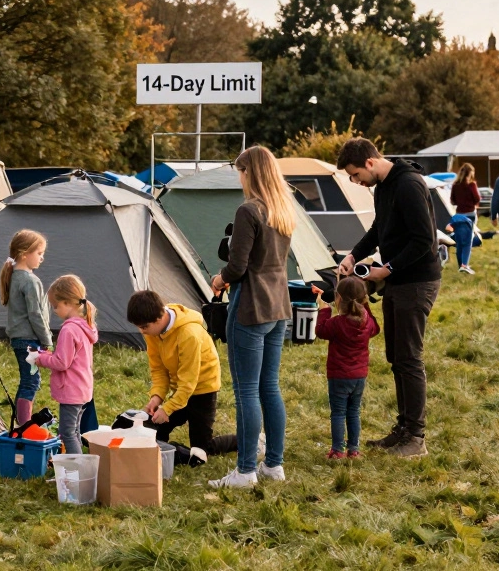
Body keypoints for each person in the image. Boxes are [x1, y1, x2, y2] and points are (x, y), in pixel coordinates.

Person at [336, 139, 441, 458]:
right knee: (396, 356)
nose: (356, 182)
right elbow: (379, 229)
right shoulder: (383, 187)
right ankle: (404, 429)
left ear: (369, 163)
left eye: (355, 175)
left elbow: (425, 240)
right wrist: (354, 255)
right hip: (397, 280)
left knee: (409, 357)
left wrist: (388, 268)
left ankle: (416, 438)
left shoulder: (409, 184)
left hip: (418, 280)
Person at [208, 145, 295, 488]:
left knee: (246, 391)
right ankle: (274, 465)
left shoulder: (248, 210)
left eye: (240, 173)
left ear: (249, 173)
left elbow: (238, 266)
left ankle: (245, 471)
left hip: (250, 306)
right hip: (279, 306)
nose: (239, 179)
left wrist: (219, 279)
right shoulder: (283, 209)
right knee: (269, 387)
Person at [126, 290, 237, 458]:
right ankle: (161, 453)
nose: (142, 332)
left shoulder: (188, 334)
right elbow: (159, 370)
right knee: (152, 429)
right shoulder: (153, 332)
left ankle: (248, 441)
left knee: (202, 451)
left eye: (144, 327)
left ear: (158, 318)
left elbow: (189, 383)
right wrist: (157, 397)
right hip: (180, 389)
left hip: (202, 389)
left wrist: (168, 409)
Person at [30, 275, 97, 455]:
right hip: (82, 389)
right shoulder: (85, 326)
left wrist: (40, 359)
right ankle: (78, 466)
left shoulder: (69, 329)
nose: (54, 310)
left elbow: (62, 362)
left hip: (71, 391)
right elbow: (69, 357)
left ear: (67, 303)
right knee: (74, 430)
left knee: (67, 433)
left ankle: (77, 469)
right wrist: (47, 354)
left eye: (56, 306)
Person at [315, 276, 380, 459]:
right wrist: (366, 306)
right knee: (354, 412)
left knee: (338, 413)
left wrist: (324, 310)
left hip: (338, 376)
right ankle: (354, 449)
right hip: (359, 376)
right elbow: (376, 329)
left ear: (338, 298)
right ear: (364, 299)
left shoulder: (337, 323)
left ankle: (337, 450)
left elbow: (320, 331)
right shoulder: (366, 323)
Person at [0, 229, 51, 426]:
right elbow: (35, 314)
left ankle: (23, 423)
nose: (42, 258)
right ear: (24, 253)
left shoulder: (14, 276)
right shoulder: (29, 281)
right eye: (39, 253)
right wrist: (47, 340)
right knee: (31, 382)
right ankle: (25, 426)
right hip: (29, 342)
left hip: (19, 340)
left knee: (27, 380)